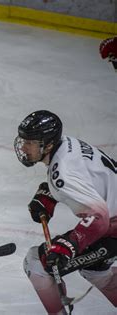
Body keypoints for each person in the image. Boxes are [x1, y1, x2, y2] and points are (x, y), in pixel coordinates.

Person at [14, 110, 117, 314]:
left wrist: (68, 245)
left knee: (36, 263)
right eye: (23, 140)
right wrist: (50, 195)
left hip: (111, 227)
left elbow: (98, 218)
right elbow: (87, 180)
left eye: (31, 142)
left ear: (48, 145)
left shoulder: (63, 172)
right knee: (94, 270)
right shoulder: (68, 144)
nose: (24, 147)